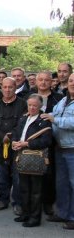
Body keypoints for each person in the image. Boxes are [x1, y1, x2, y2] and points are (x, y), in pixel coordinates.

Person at [0, 77, 27, 214]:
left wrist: (10, 137)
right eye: (5, 87)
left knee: (17, 177)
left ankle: (18, 203)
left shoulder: (23, 104)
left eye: (10, 87)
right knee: (1, 176)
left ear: (15, 87)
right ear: (1, 87)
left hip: (16, 147)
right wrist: (0, 136)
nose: (7, 90)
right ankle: (2, 199)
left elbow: (23, 124)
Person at [12, 94, 52, 227]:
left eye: (35, 105)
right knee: (23, 188)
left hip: (36, 158)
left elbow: (46, 141)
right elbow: (17, 132)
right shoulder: (24, 118)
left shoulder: (44, 120)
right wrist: (14, 142)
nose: (32, 107)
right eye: (30, 105)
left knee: (36, 191)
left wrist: (26, 144)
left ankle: (35, 218)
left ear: (40, 106)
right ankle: (25, 213)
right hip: (22, 157)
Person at [42, 72, 74, 230]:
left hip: (72, 149)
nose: (73, 83)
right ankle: (62, 213)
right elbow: (52, 114)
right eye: (71, 80)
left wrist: (55, 120)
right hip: (60, 147)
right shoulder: (63, 99)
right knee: (61, 183)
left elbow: (69, 121)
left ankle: (73, 217)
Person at [30, 71, 63, 215]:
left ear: (52, 82)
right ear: (36, 81)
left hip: (51, 142)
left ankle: (48, 203)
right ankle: (31, 203)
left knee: (49, 174)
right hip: (31, 141)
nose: (43, 82)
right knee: (30, 172)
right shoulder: (28, 97)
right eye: (40, 79)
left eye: (47, 80)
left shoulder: (59, 99)